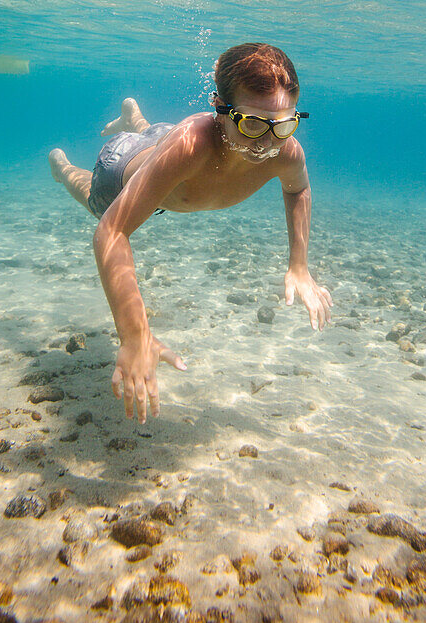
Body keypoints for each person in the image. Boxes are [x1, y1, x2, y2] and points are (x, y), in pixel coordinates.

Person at [48, 43, 332, 423]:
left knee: (158, 136)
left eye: (282, 125)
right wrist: (135, 335)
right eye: (251, 124)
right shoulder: (192, 145)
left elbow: (297, 189)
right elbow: (110, 232)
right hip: (120, 168)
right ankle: (61, 165)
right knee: (92, 199)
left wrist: (299, 265)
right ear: (218, 107)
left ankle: (135, 116)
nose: (266, 143)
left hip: (164, 144)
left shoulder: (285, 151)